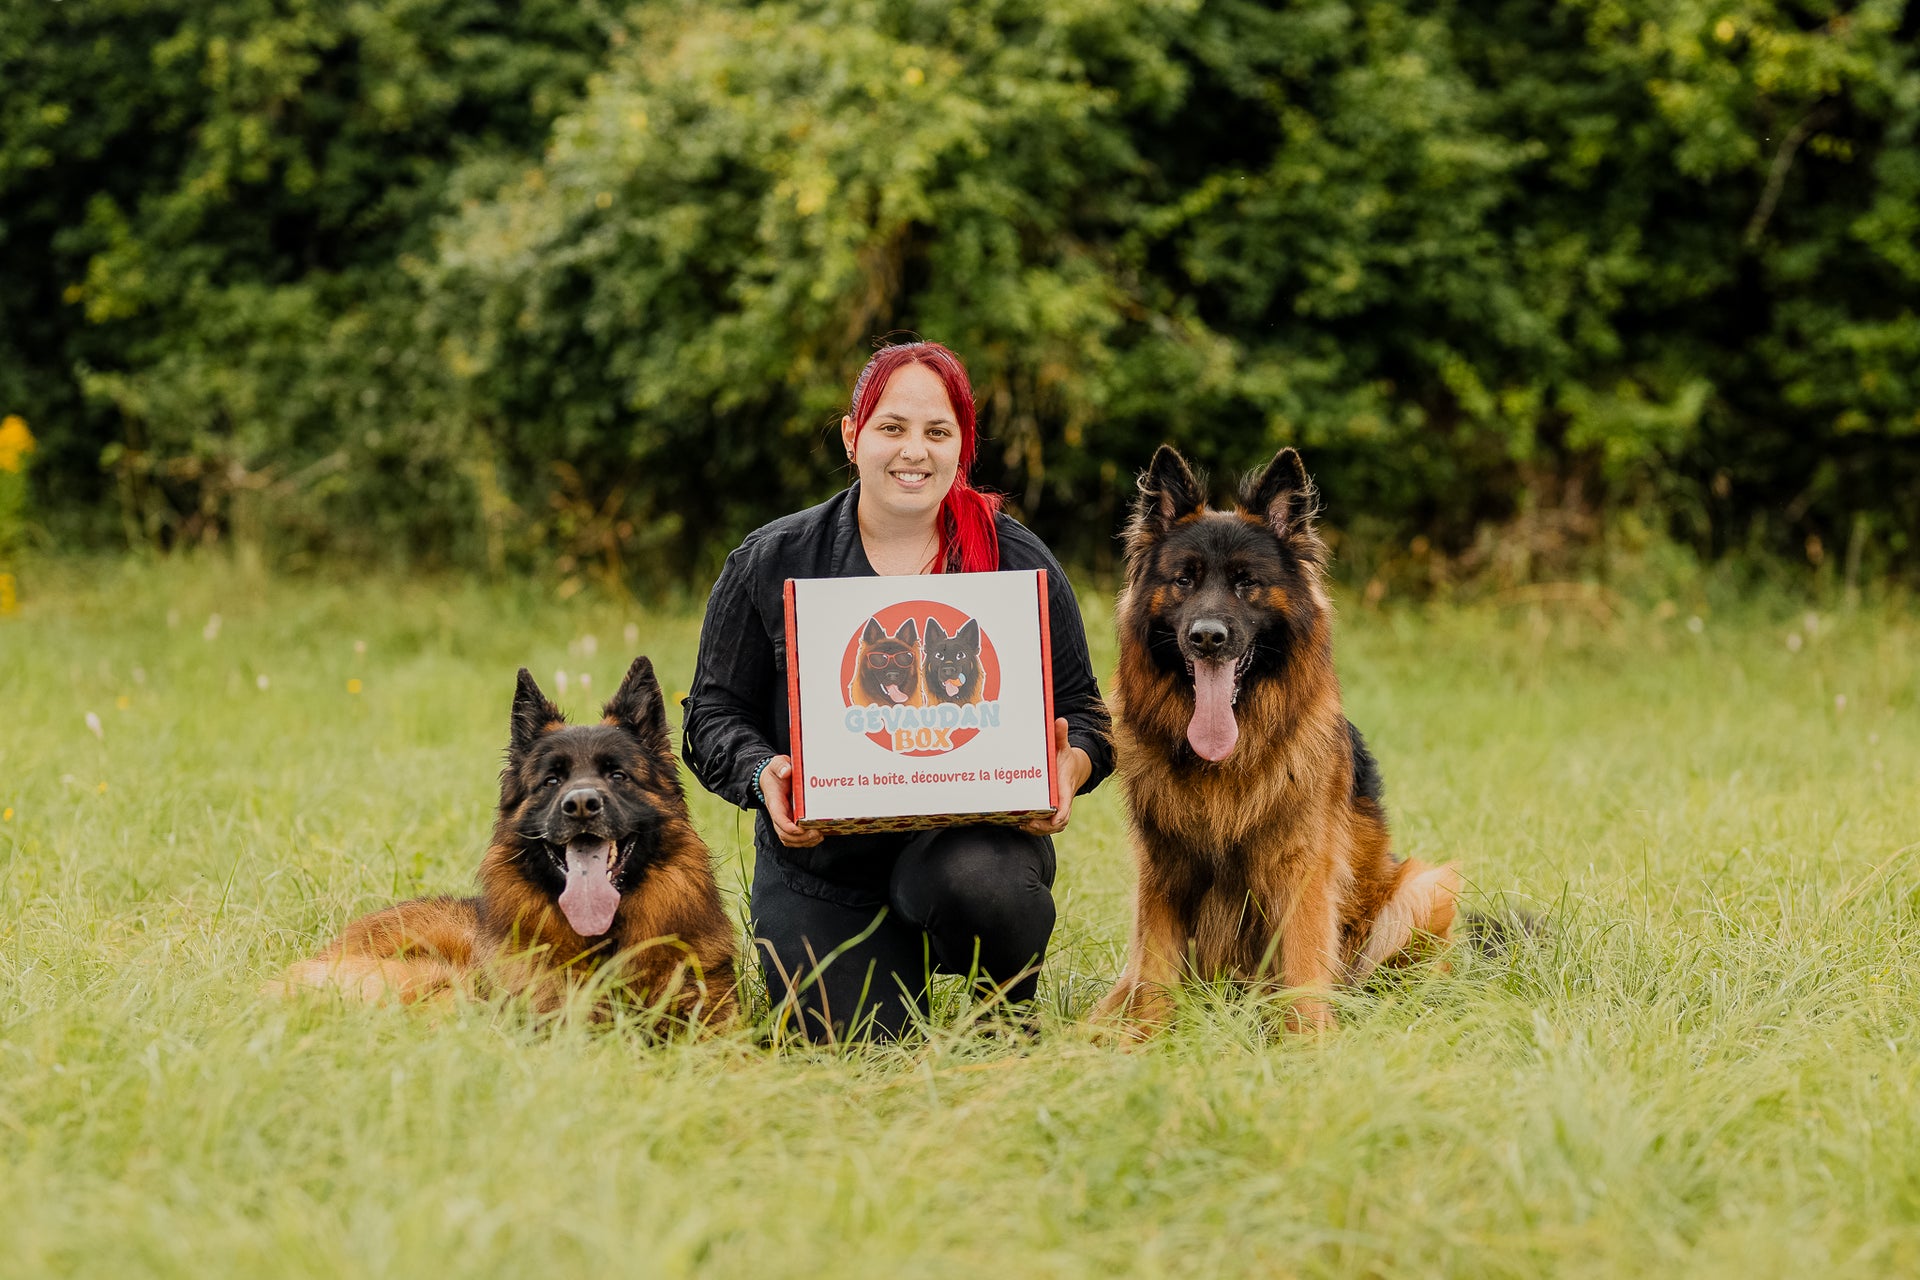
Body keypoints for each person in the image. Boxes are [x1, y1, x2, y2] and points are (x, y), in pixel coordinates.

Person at [681, 340, 1113, 1042]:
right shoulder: (772, 559)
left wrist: (1073, 764)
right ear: (854, 437)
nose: (914, 451)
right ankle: (867, 968)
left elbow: (1086, 712)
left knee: (984, 885)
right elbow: (711, 714)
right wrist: (766, 775)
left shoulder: (1015, 559)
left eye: (936, 432)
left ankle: (999, 1013)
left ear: (960, 447)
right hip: (821, 865)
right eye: (892, 428)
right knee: (854, 1047)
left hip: (970, 847)